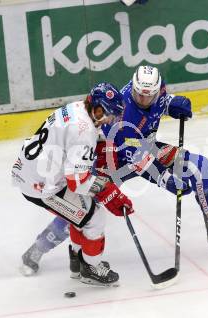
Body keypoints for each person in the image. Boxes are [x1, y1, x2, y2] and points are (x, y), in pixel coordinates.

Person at [99, 65, 208, 255]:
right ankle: (77, 253)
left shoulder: (158, 89)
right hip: (116, 158)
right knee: (87, 203)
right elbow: (136, 157)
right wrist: (165, 179)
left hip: (147, 147)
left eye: (149, 96)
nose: (144, 100)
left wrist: (172, 105)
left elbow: (161, 104)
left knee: (200, 166)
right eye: (139, 95)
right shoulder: (124, 113)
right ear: (133, 88)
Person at [12, 83, 134, 286]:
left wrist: (100, 145)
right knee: (94, 217)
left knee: (82, 212)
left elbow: (76, 139)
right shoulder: (83, 132)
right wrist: (108, 190)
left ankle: (79, 261)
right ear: (96, 107)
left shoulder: (78, 108)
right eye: (107, 114)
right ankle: (91, 268)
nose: (109, 119)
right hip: (42, 185)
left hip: (30, 169)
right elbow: (78, 181)